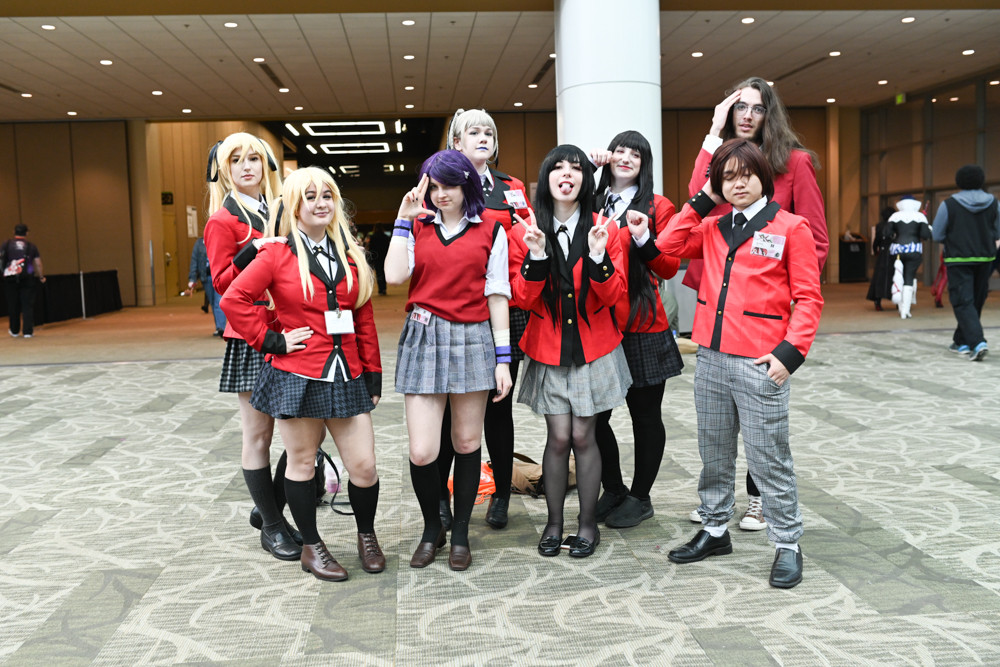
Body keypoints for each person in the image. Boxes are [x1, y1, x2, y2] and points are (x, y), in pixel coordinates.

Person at [659, 139, 823, 589]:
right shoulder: (713, 226)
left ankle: (787, 542)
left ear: (763, 177)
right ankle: (715, 530)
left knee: (769, 457)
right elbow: (667, 244)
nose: (737, 184)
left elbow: (809, 298)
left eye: (745, 174)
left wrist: (790, 354)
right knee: (713, 451)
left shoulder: (791, 227)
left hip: (760, 361)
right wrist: (704, 198)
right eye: (727, 177)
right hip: (711, 358)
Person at [221, 167, 385, 581]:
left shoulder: (350, 254)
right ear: (295, 206)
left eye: (327, 196)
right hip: (298, 373)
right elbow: (233, 298)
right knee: (302, 462)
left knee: (364, 466)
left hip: (347, 372)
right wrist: (271, 340)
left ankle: (366, 535)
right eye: (310, 197)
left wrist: (373, 372)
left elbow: (363, 317)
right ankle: (312, 547)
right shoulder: (277, 254)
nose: (320, 203)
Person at [684, 76, 829, 532]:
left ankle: (760, 500)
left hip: (765, 313)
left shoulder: (795, 162)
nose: (747, 115)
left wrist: (783, 300)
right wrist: (713, 132)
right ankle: (718, 508)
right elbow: (696, 200)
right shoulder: (723, 158)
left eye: (757, 107)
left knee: (762, 426)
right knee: (716, 428)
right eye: (739, 107)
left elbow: (815, 239)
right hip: (719, 305)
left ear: (771, 113)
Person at [385, 150, 513, 571]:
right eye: (434, 187)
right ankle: (431, 529)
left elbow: (498, 295)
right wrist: (402, 218)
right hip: (424, 336)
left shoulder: (491, 228)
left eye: (450, 186)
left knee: (466, 443)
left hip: (473, 337)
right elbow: (394, 276)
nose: (441, 194)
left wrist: (503, 359)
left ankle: (459, 533)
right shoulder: (417, 225)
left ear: (466, 185)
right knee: (423, 451)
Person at [510, 144, 631, 558]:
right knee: (558, 438)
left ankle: (587, 524)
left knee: (583, 435)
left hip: (593, 347)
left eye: (576, 168)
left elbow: (614, 294)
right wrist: (536, 255)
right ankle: (554, 523)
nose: (567, 174)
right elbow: (522, 298)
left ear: (585, 179)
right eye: (557, 167)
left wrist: (598, 256)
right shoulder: (526, 231)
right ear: (546, 179)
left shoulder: (605, 228)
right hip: (549, 348)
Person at [202, 132, 303, 562]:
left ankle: (268, 509)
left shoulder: (281, 209)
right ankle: (274, 527)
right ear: (224, 170)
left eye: (254, 158)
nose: (247, 166)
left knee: (305, 430)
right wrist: (253, 251)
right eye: (236, 160)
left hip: (292, 330)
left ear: (267, 165)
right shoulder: (223, 221)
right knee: (259, 434)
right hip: (250, 336)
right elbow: (221, 282)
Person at [436, 108, 534, 532]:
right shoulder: (442, 186)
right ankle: (440, 495)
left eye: (488, 132)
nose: (483, 138)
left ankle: (501, 495)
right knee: (447, 409)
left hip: (503, 309)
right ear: (457, 142)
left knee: (497, 406)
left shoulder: (511, 188)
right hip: (454, 310)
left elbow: (529, 240)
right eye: (473, 132)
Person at [586, 131, 683, 528]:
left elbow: (669, 267)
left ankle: (641, 497)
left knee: (644, 417)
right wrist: (587, 170)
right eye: (619, 151)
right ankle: (613, 488)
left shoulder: (659, 206)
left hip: (642, 325)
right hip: (597, 324)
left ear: (645, 164)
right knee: (593, 418)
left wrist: (643, 237)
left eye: (635, 154)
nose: (626, 158)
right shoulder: (591, 201)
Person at [932, 164, 1000, 361]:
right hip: (985, 257)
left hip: (958, 258)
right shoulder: (994, 203)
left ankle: (977, 342)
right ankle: (960, 340)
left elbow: (937, 234)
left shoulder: (949, 204)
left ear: (958, 181)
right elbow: (998, 231)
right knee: (976, 299)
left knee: (963, 301)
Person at [888, 196, 931, 319]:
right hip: (914, 250)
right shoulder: (920, 216)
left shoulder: (894, 216)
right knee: (909, 277)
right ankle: (905, 310)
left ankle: (900, 308)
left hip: (897, 250)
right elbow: (925, 235)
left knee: (898, 276)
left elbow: (887, 233)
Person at [2, 224, 46, 338]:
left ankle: (14, 330)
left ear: (14, 232)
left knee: (13, 304)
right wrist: (41, 276)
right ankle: (27, 331)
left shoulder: (6, 244)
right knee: (27, 305)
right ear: (26, 233)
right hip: (27, 279)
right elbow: (38, 263)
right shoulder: (31, 246)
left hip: (10, 278)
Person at [187, 237, 226, 336]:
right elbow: (194, 261)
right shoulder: (199, 244)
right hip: (206, 277)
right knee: (212, 302)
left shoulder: (220, 240)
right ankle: (218, 327)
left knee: (218, 301)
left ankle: (222, 327)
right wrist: (192, 278)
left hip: (219, 276)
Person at [866, 207, 896, 311]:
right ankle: (897, 301)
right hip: (894, 254)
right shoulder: (896, 225)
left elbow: (876, 241)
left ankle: (877, 301)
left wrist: (875, 251)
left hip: (882, 254)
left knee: (879, 278)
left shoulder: (879, 226)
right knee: (895, 277)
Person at [368, 223, 390, 295]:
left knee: (378, 273)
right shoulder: (385, 237)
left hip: (376, 257)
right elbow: (388, 248)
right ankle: (384, 288)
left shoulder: (373, 237)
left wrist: (371, 258)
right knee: (384, 272)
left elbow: (371, 248)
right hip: (384, 257)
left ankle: (380, 289)